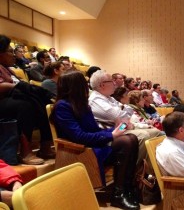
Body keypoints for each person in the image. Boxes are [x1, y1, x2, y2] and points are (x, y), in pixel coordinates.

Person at [51, 70, 140, 209]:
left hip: (93, 145)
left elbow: (94, 130)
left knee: (131, 138)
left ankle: (125, 188)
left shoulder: (81, 104)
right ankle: (119, 193)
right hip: (80, 151)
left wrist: (116, 130)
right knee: (127, 142)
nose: (87, 87)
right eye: (84, 84)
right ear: (77, 86)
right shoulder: (62, 106)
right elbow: (78, 136)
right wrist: (111, 135)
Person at [0, 35, 55, 165]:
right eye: (9, 51)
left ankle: (46, 146)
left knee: (43, 103)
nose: (13, 55)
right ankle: (25, 151)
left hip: (11, 99)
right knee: (25, 105)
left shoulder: (8, 69)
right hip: (2, 101)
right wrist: (20, 86)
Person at [89, 71, 160, 167]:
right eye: (111, 81)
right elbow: (117, 115)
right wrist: (122, 114)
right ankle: (131, 168)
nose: (114, 83)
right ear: (102, 85)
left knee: (155, 132)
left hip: (121, 127)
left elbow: (128, 112)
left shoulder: (109, 98)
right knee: (144, 136)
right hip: (111, 133)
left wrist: (122, 115)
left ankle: (149, 169)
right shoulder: (95, 100)